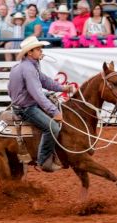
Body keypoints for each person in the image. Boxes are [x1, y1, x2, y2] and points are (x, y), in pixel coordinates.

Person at [8, 36, 74, 172]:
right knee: (53, 128)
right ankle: (43, 160)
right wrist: (54, 112)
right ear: (30, 53)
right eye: (38, 49)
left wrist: (62, 88)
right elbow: (37, 93)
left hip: (24, 102)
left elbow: (45, 81)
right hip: (26, 108)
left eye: (40, 49)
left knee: (51, 101)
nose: (41, 51)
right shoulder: (29, 69)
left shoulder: (30, 65)